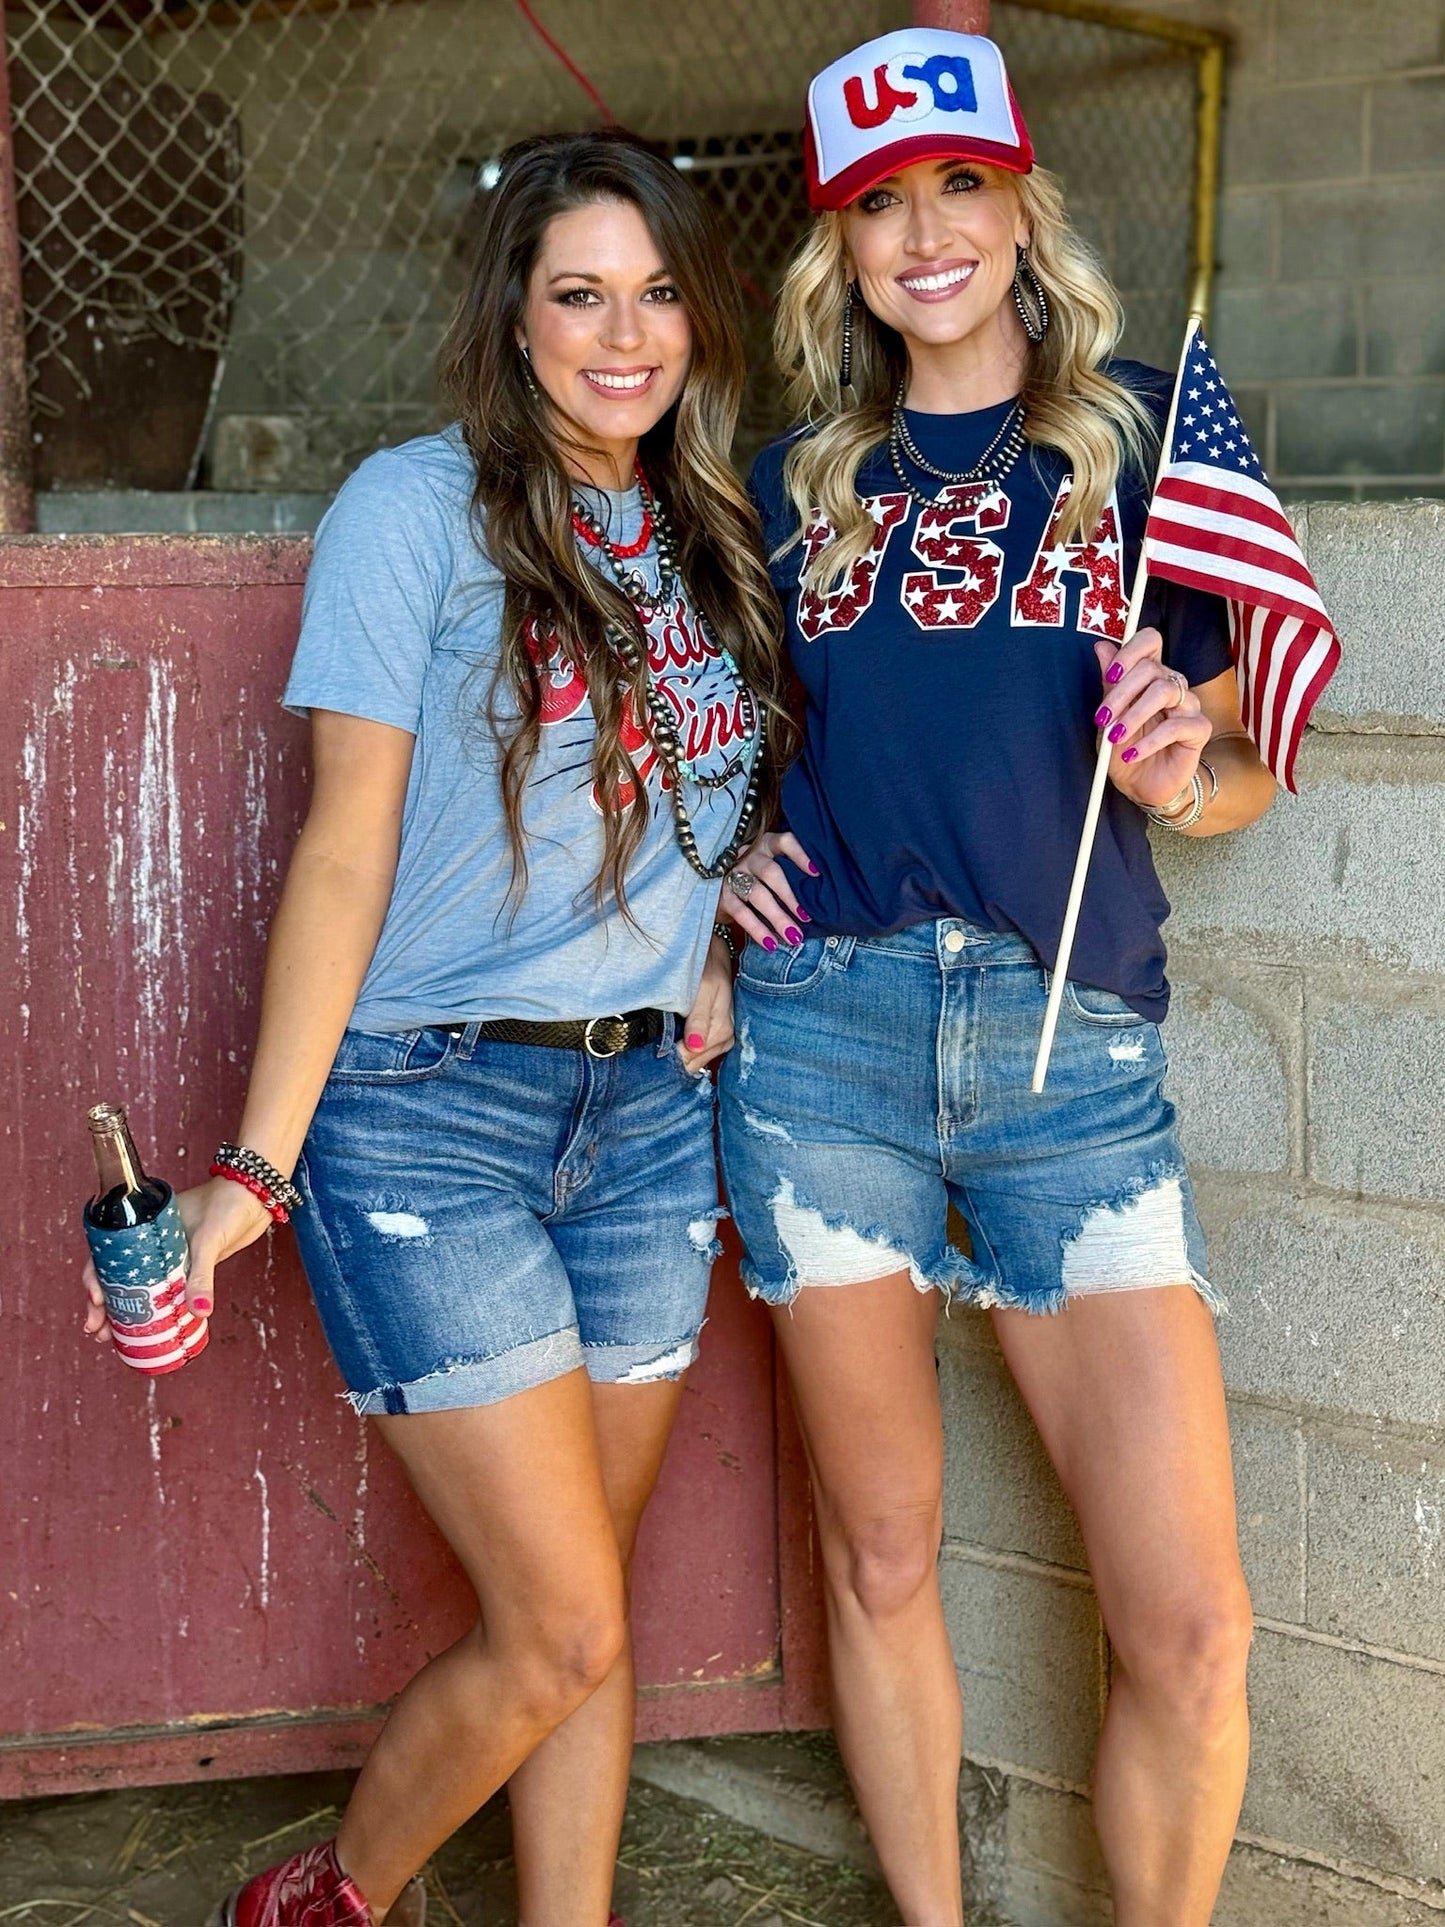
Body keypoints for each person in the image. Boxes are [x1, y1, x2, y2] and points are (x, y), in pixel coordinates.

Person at [82, 131, 793, 1927]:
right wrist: (258, 1169)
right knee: (557, 1626)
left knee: (587, 1615)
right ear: (514, 316)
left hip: (646, 1119)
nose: (622, 336)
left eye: (652, 296)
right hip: (431, 1112)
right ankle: (328, 1899)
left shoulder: (704, 530)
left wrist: (709, 931)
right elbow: (343, 845)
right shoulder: (418, 508)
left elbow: (689, 812)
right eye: (578, 296)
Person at [717, 30, 1275, 1927]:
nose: (924, 232)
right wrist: (724, 862)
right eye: (879, 204)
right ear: (839, 251)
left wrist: (1182, 768)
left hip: (1073, 1063)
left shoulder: (1143, 440)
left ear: (1019, 201)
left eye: (958, 184)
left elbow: (1245, 761)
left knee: (1192, 1630)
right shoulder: (793, 479)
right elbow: (700, 738)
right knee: (880, 1558)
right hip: (823, 1046)